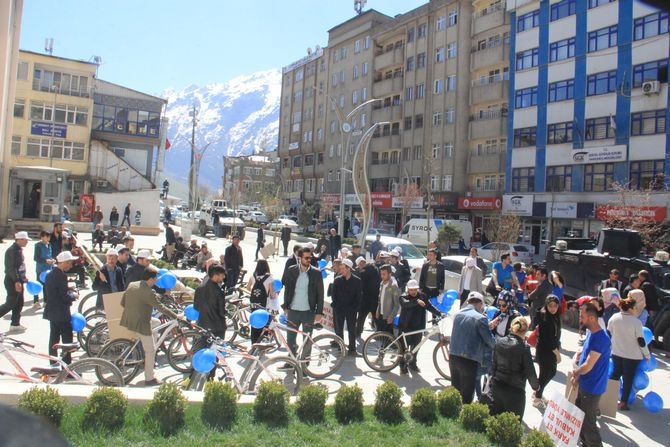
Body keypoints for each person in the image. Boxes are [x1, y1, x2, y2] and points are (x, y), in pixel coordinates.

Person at [120, 269, 180, 386]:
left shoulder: (132, 285)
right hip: (141, 324)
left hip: (128, 319)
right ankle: (150, 378)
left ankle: (152, 340)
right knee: (151, 351)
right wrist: (176, 316)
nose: (156, 281)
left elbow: (123, 303)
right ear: (151, 279)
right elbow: (160, 307)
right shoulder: (149, 292)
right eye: (155, 279)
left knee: (156, 322)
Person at [571, 303, 612, 447]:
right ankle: (585, 444)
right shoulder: (591, 333)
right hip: (585, 383)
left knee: (588, 423)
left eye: (583, 316)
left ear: (592, 318)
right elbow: (585, 356)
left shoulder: (601, 339)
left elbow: (588, 365)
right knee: (580, 418)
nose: (580, 319)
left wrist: (576, 372)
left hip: (592, 387)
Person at [486, 316, 539, 418]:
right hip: (515, 391)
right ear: (525, 331)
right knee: (511, 425)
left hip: (497, 386)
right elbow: (530, 370)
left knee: (494, 420)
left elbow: (493, 365)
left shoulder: (500, 342)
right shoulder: (524, 348)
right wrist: (536, 387)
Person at [449, 291, 496, 404]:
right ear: (479, 303)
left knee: (455, 390)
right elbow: (491, 342)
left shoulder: (458, 314)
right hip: (469, 360)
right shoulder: (480, 318)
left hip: (453, 357)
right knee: (467, 396)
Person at [608, 296, 650, 411]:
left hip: (616, 353)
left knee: (615, 375)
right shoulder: (636, 322)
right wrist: (647, 355)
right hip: (632, 356)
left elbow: (609, 333)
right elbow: (641, 341)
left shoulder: (613, 318)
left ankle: (607, 397)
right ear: (631, 308)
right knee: (628, 379)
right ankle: (623, 403)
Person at [282, 247, 324, 360]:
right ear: (300, 258)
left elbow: (320, 294)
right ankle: (291, 361)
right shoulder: (291, 270)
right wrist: (285, 306)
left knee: (307, 339)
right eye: (306, 258)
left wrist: (319, 312)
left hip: (308, 312)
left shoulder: (316, 273)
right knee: (290, 339)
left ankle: (305, 364)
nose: (308, 260)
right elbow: (288, 289)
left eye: (310, 258)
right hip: (293, 311)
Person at [397, 279, 443, 374]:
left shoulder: (423, 296)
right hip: (406, 326)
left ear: (418, 289)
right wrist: (417, 301)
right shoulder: (403, 297)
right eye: (411, 290)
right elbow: (406, 304)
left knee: (416, 346)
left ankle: (413, 363)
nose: (413, 292)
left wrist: (439, 313)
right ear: (408, 289)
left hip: (419, 326)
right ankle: (402, 365)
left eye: (415, 289)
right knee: (403, 348)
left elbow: (429, 306)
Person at [43, 251, 79, 364]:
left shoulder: (50, 274)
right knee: (67, 340)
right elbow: (64, 296)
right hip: (62, 313)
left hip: (52, 311)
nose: (71, 265)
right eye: (69, 262)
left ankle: (53, 363)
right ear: (64, 262)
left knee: (53, 338)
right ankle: (67, 367)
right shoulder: (61, 276)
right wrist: (73, 296)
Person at [531, 295, 562, 409]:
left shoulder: (555, 316)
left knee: (550, 373)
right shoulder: (545, 318)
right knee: (545, 374)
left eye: (555, 306)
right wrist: (557, 354)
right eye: (550, 306)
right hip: (545, 351)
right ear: (546, 306)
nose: (553, 308)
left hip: (550, 350)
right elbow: (548, 339)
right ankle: (537, 398)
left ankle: (537, 392)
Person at [1, 232, 31, 333]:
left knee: (19, 303)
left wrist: (23, 278)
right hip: (12, 281)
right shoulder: (13, 251)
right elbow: (11, 268)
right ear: (19, 239)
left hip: (18, 280)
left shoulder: (18, 250)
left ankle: (15, 324)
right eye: (25, 240)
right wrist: (17, 280)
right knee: (10, 303)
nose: (27, 242)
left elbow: (20, 267)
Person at [332, 259, 363, 355]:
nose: (341, 271)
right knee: (339, 329)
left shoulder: (357, 281)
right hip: (339, 309)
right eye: (340, 268)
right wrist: (336, 306)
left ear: (348, 269)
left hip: (351, 310)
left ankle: (352, 349)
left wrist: (355, 308)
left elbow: (359, 296)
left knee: (351, 329)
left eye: (343, 268)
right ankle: (341, 348)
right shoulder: (337, 280)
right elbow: (334, 295)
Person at [246, 260, 276, 343]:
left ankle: (253, 342)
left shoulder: (253, 276)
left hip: (254, 304)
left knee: (255, 322)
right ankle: (262, 342)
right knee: (265, 323)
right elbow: (272, 293)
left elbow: (247, 288)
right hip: (264, 305)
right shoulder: (269, 278)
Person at [355, 257, 381, 336]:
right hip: (375, 298)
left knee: (361, 318)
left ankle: (358, 332)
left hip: (365, 300)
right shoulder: (376, 269)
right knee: (377, 319)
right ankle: (382, 335)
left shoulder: (362, 273)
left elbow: (360, 287)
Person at [376, 264, 401, 335]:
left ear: (390, 274)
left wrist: (391, 317)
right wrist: (378, 311)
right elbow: (380, 299)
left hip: (388, 317)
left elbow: (397, 304)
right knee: (382, 337)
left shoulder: (394, 286)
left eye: (384, 274)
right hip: (381, 315)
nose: (382, 276)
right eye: (381, 274)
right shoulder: (381, 283)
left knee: (389, 339)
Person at [33, 231, 54, 309]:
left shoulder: (49, 245)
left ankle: (46, 301)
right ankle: (36, 302)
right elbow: (36, 258)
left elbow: (50, 255)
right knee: (38, 285)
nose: (48, 238)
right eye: (46, 236)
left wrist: (52, 260)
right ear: (41, 237)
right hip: (41, 268)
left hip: (48, 269)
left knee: (47, 286)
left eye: (48, 237)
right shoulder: (38, 245)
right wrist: (46, 261)